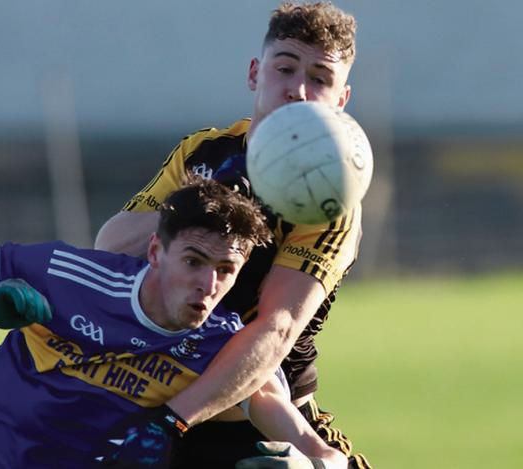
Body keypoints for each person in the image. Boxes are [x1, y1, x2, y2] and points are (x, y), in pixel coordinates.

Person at [0, 180, 347, 469]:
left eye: (225, 270)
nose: (207, 283)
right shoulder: (70, 275)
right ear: (154, 252)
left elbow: (269, 401)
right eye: (193, 260)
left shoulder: (219, 344)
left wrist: (319, 458)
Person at [94, 2, 372, 468]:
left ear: (341, 100)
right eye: (285, 69)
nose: (298, 91)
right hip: (153, 389)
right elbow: (111, 245)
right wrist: (207, 194)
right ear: (254, 74)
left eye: (320, 79)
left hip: (263, 420)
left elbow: (275, 329)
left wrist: (171, 421)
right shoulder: (205, 151)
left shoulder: (332, 198)